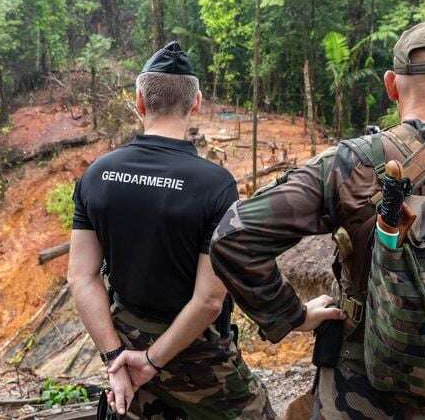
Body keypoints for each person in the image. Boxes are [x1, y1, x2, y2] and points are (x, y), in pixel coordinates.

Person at [210, 21, 425, 419]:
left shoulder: (343, 164)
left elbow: (233, 235)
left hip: (350, 397)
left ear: (391, 85)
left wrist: (290, 315)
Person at [68, 42, 276, 419]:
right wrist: (152, 359)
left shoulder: (97, 175)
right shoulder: (215, 184)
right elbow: (209, 300)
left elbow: (82, 277)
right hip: (198, 358)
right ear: (196, 102)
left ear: (140, 102)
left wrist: (115, 357)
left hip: (126, 351)